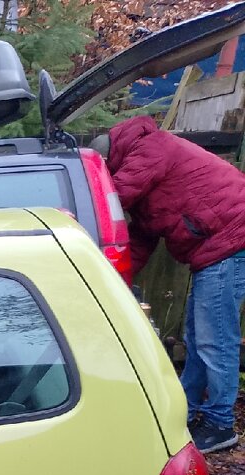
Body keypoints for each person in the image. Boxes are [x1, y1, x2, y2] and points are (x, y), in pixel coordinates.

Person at [92, 115, 245, 454]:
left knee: (215, 340)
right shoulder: (147, 167)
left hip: (231, 239)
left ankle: (220, 425)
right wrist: (110, 276)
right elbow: (142, 239)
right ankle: (186, 413)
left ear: (109, 158)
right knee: (199, 337)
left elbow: (110, 201)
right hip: (215, 247)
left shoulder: (148, 150)